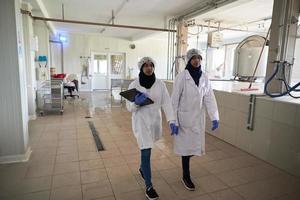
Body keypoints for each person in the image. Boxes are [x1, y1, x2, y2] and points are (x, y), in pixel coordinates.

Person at [126, 57, 178, 200]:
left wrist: (172, 120)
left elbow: (166, 103)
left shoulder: (160, 84)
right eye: (146, 66)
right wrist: (136, 103)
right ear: (141, 68)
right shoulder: (134, 84)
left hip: (154, 121)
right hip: (141, 121)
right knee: (146, 152)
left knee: (147, 150)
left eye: (151, 65)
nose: (149, 68)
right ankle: (149, 186)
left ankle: (142, 168)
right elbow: (129, 107)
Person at [171, 49, 219, 191]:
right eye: (193, 58)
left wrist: (214, 116)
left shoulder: (204, 77)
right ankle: (186, 176)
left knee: (192, 148)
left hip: (197, 119)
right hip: (184, 119)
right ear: (188, 60)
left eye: (198, 58)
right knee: (186, 150)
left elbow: (210, 98)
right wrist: (173, 120)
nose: (196, 60)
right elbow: (174, 100)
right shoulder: (181, 77)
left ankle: (186, 172)